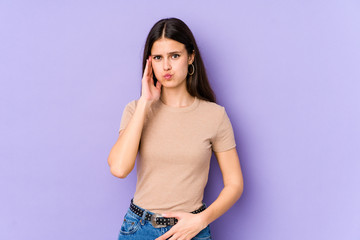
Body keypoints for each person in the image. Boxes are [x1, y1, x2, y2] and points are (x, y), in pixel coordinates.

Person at [108, 17, 244, 240]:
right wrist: (145, 101)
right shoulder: (135, 110)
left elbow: (235, 184)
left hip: (192, 230)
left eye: (175, 56)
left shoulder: (214, 115)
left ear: (190, 57)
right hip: (139, 228)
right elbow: (120, 169)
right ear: (149, 62)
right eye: (158, 58)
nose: (167, 66)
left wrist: (201, 220)